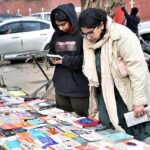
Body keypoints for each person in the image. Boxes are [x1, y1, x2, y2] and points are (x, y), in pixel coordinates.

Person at [78, 8, 150, 142]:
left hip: (126, 94)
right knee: (109, 134)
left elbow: (138, 70)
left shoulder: (122, 35)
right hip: (104, 95)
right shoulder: (88, 40)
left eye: (90, 33)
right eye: (84, 34)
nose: (88, 37)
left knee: (135, 136)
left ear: (101, 24)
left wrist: (139, 102)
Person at [48, 3, 89, 117]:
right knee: (63, 121)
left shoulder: (82, 34)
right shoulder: (56, 35)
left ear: (71, 19)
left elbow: (86, 60)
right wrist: (52, 59)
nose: (60, 28)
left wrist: (64, 60)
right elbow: (51, 51)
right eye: (57, 25)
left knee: (85, 121)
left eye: (63, 24)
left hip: (79, 88)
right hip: (61, 87)